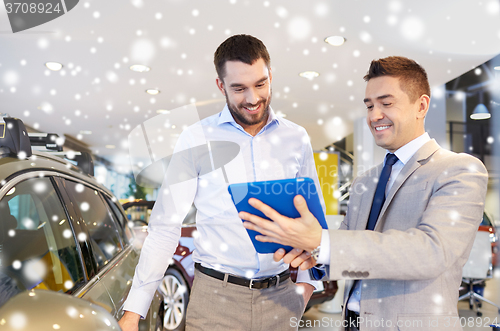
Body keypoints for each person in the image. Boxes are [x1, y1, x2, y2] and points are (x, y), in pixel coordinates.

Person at [240, 56, 488, 331]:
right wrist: (315, 254)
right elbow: (347, 249)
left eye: (386, 103)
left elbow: (431, 252)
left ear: (421, 106)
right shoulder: (366, 182)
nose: (374, 115)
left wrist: (323, 241)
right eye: (369, 105)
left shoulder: (460, 170)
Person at [119, 34, 323, 331]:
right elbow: (164, 228)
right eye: (239, 88)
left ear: (270, 76)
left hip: (282, 298)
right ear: (220, 85)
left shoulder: (296, 138)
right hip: (216, 302)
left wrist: (306, 287)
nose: (252, 99)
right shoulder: (196, 138)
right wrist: (133, 312)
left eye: (260, 84)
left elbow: (312, 220)